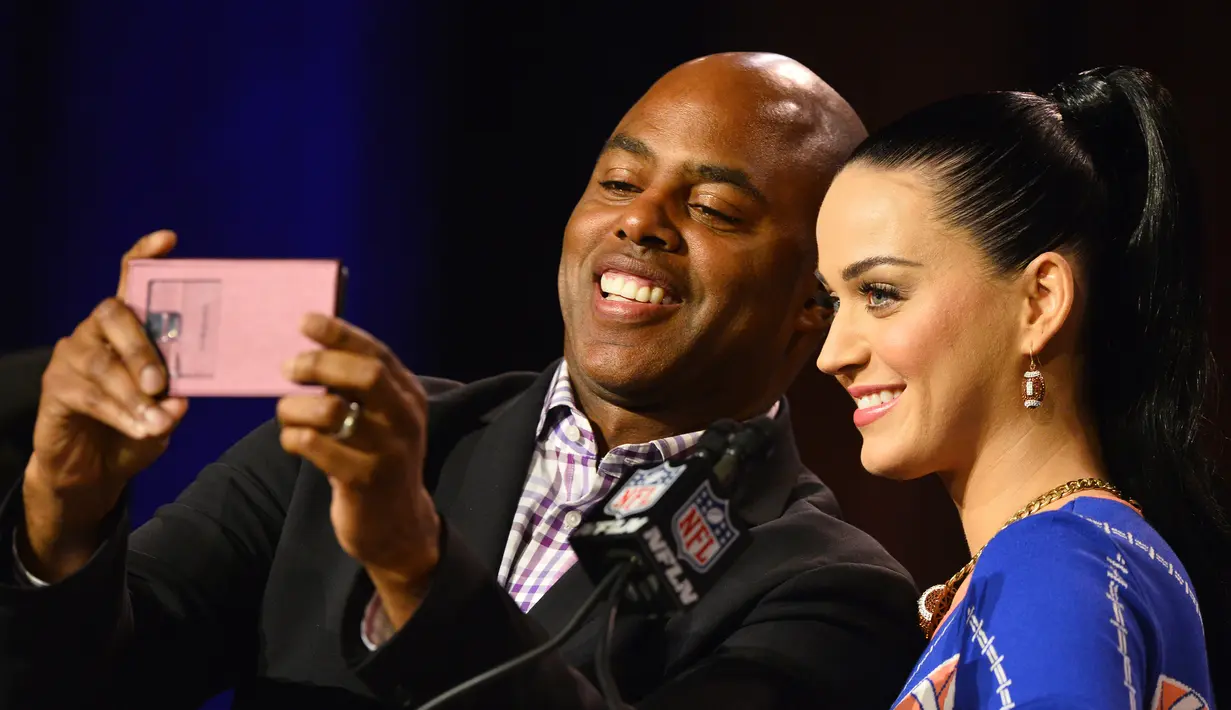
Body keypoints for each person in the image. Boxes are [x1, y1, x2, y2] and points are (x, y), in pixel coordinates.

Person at [0, 53, 925, 709]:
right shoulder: (335, 453)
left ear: (812, 303)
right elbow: (85, 684)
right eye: (616, 182)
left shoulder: (834, 592)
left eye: (712, 207)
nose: (639, 221)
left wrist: (414, 567)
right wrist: (62, 512)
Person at [814, 65, 1228, 708]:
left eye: (882, 293)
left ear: (1039, 301)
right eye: (832, 301)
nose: (832, 356)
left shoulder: (1053, 565)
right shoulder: (1079, 557)